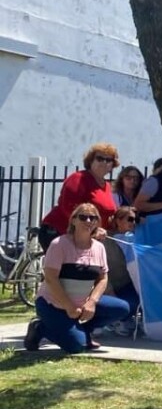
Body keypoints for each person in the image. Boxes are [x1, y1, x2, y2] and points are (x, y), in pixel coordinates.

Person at [25, 204, 129, 353]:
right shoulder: (59, 244)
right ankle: (40, 328)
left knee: (121, 308)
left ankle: (84, 331)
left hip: (81, 304)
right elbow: (51, 279)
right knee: (76, 347)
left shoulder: (99, 248)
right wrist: (68, 306)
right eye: (83, 217)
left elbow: (103, 278)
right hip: (53, 305)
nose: (88, 221)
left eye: (93, 218)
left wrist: (92, 302)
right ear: (73, 220)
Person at [40, 143, 119, 250]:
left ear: (112, 166)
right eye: (99, 158)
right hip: (61, 232)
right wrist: (92, 229)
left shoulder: (107, 186)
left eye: (109, 160)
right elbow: (69, 208)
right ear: (91, 161)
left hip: (88, 238)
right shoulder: (78, 178)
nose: (104, 162)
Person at [101, 206, 140, 336]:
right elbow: (101, 269)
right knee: (123, 306)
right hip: (108, 287)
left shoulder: (135, 240)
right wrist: (110, 292)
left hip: (126, 284)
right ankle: (111, 320)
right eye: (129, 219)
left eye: (135, 220)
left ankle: (124, 318)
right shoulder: (106, 241)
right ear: (118, 220)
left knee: (137, 301)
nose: (133, 223)